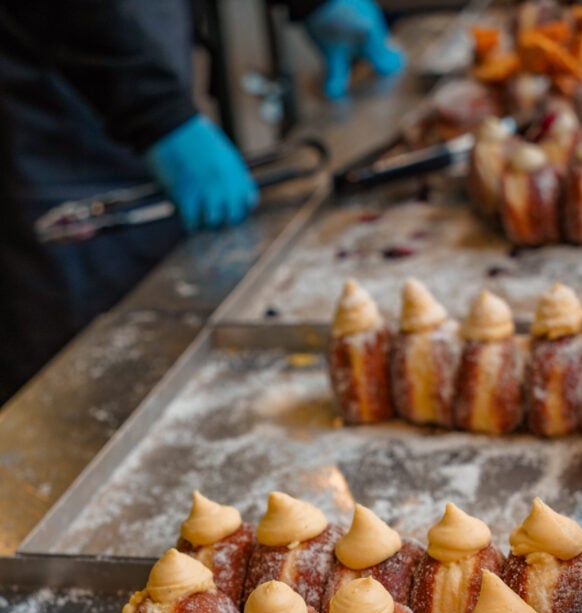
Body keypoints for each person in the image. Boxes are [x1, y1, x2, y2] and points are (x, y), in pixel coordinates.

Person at [0, 0, 404, 406]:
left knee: (162, 351)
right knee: (78, 387)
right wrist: (156, 114)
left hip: (143, 80)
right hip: (48, 135)